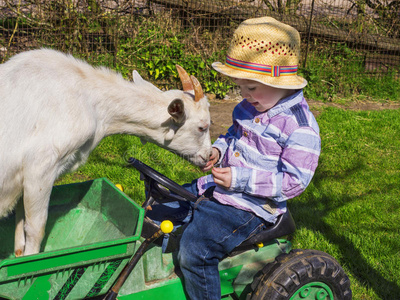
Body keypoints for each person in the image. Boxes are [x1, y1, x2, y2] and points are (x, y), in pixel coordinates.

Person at [148, 16, 321, 300]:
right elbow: (231, 138)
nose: (243, 94)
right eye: (240, 86)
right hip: (218, 189)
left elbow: (293, 183)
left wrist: (239, 178)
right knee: (157, 211)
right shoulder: (248, 108)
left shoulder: (299, 127)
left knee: (196, 249)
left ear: (281, 82)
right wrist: (218, 151)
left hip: (250, 208)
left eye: (251, 88)